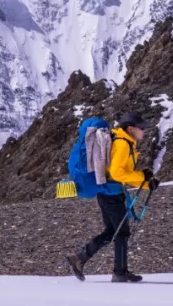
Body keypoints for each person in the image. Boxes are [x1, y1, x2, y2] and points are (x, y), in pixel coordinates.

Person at [66, 113, 160, 283]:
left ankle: (79, 257)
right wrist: (142, 177)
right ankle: (119, 272)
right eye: (142, 128)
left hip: (106, 191)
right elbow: (117, 173)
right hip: (111, 193)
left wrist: (146, 183)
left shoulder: (123, 141)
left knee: (113, 231)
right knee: (122, 232)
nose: (144, 131)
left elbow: (118, 173)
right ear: (130, 129)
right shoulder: (123, 144)